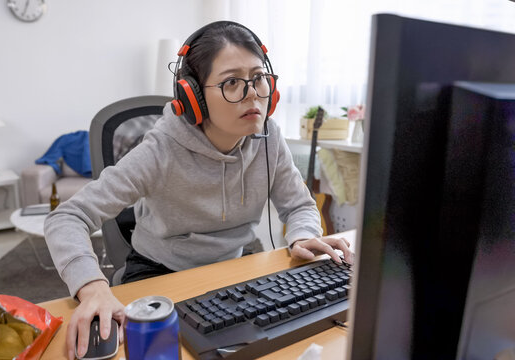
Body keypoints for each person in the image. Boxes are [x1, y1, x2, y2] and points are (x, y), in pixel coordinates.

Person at [44, 21, 354, 360]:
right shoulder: (160, 150)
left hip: (233, 268)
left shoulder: (269, 137)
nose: (253, 94)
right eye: (232, 82)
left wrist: (303, 234)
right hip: (160, 271)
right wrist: (92, 289)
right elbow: (68, 217)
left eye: (259, 77)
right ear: (193, 97)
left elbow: (298, 205)